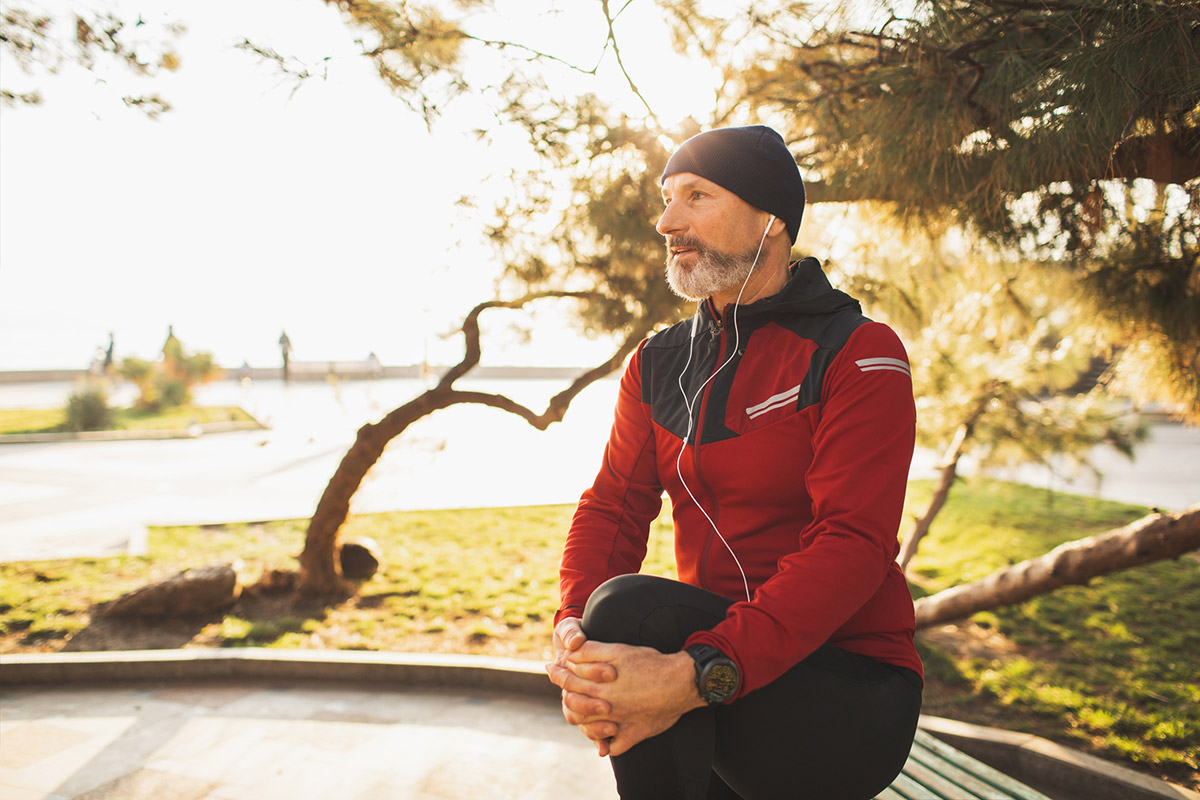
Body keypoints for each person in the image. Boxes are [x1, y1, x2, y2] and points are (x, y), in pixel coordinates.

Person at [545, 125, 923, 800]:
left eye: (696, 196)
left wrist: (697, 671)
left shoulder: (859, 352)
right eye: (667, 199)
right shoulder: (657, 362)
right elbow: (614, 506)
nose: (667, 222)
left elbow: (853, 544)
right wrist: (573, 633)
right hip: (716, 665)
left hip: (847, 690)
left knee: (630, 614)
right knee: (606, 620)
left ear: (772, 218)